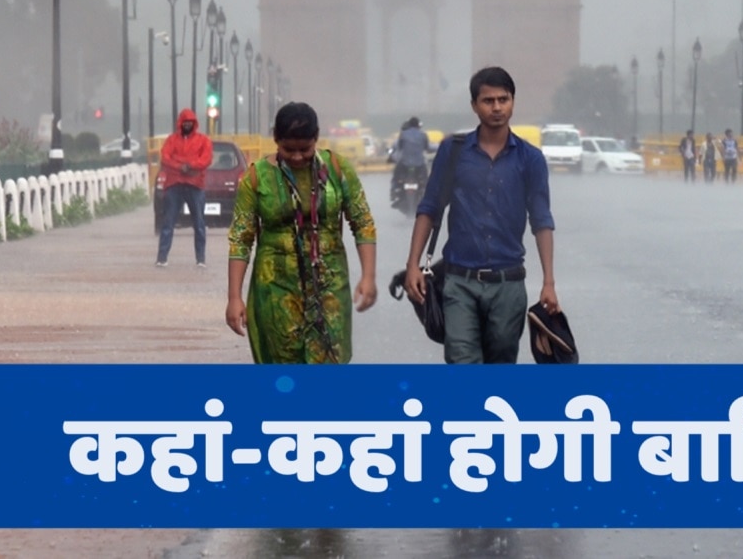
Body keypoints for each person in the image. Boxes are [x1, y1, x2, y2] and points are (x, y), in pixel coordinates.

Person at [403, 66, 560, 364]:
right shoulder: (453, 151)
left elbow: (541, 221)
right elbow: (430, 207)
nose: (497, 107)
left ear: (513, 102)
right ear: (474, 105)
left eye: (504, 99)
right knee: (462, 363)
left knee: (500, 365)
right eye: (488, 100)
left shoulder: (531, 159)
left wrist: (549, 282)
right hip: (459, 281)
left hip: (508, 283)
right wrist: (412, 264)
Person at [225, 101, 377, 364]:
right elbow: (241, 239)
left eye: (305, 149)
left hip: (329, 286)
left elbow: (362, 223)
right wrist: (234, 297)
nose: (296, 157)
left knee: (328, 365)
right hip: (275, 290)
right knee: (284, 370)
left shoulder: (338, 170)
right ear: (275, 139)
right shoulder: (255, 178)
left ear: (316, 138)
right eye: (288, 149)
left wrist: (368, 276)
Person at [156, 107, 213, 268]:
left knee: (199, 224)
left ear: (194, 123)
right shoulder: (172, 140)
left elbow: (206, 159)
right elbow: (165, 157)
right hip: (174, 185)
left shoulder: (203, 140)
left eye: (190, 122)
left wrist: (189, 165)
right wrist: (181, 166)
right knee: (168, 222)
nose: (187, 125)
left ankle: (200, 258)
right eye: (185, 122)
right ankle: (162, 257)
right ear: (180, 123)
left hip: (195, 185)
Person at [389, 115, 432, 207]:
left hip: (404, 163)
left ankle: (393, 193)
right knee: (426, 181)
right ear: (418, 125)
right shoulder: (423, 135)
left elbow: (400, 147)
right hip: (420, 164)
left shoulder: (403, 134)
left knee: (396, 177)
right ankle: (429, 198)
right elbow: (427, 148)